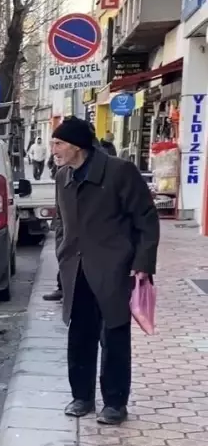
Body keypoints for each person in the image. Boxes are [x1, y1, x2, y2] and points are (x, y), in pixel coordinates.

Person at [50, 116, 159, 426]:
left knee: (114, 334)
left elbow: (146, 220)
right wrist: (62, 253)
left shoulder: (120, 171)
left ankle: (114, 403)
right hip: (76, 268)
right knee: (80, 334)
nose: (53, 150)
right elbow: (61, 222)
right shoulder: (62, 176)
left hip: (115, 268)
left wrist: (142, 263)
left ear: (76, 146)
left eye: (58, 144)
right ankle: (81, 397)